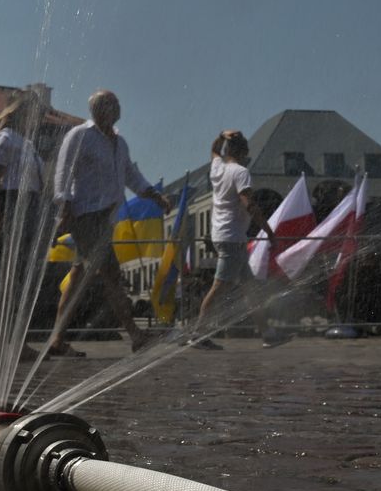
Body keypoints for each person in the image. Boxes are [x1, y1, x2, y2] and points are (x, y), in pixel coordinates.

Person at [46, 89, 172, 357]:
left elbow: (131, 174)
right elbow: (63, 173)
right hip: (86, 216)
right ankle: (135, 335)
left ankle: (57, 338)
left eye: (117, 102)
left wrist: (155, 197)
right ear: (99, 109)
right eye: (112, 103)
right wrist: (65, 209)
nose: (118, 107)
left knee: (78, 276)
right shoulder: (80, 135)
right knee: (112, 274)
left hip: (106, 218)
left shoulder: (119, 142)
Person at [189, 130, 291, 350]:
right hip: (232, 236)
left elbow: (214, 150)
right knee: (218, 287)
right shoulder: (241, 172)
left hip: (223, 234)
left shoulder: (218, 168)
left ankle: (267, 334)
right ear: (242, 152)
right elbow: (248, 204)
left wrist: (221, 135)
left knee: (250, 289)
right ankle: (198, 334)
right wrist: (269, 231)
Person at [0, 90, 46, 361]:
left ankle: (12, 337)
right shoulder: (4, 139)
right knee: (13, 276)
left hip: (28, 205)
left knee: (21, 278)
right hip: (14, 204)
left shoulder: (25, 142)